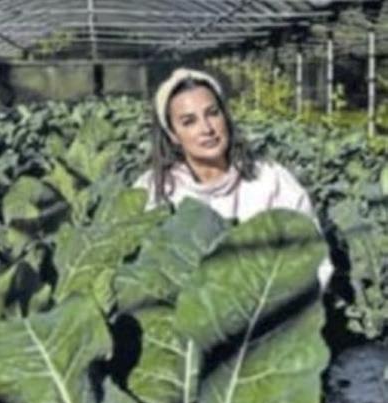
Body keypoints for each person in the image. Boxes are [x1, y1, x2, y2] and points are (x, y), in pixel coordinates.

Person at [133, 67, 333, 290]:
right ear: (173, 135)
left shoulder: (271, 180)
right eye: (189, 121)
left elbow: (312, 258)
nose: (207, 128)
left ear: (225, 116)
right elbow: (141, 278)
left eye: (213, 113)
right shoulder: (154, 190)